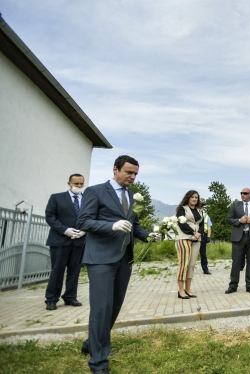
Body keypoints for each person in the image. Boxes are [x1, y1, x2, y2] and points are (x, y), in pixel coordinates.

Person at [77, 155, 160, 374]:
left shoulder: (131, 196)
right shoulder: (95, 191)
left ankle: (91, 344)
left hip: (124, 258)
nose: (133, 177)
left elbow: (133, 224)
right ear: (115, 169)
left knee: (113, 307)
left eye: (135, 174)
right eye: (129, 172)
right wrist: (111, 226)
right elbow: (83, 221)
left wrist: (148, 235)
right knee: (101, 308)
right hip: (101, 258)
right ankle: (98, 362)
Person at [43, 173, 87, 310]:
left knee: (74, 271)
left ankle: (70, 297)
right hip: (60, 240)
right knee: (57, 271)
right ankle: (51, 299)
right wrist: (65, 230)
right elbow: (50, 216)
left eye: (81, 184)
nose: (79, 186)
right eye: (76, 184)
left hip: (79, 241)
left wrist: (85, 230)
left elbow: (92, 217)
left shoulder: (88, 200)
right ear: (69, 184)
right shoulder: (56, 197)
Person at [226, 188, 250, 294]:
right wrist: (239, 220)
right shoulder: (235, 205)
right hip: (238, 237)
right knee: (236, 262)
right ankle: (233, 285)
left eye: (245, 193)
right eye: (241, 193)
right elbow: (228, 219)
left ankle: (249, 286)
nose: (242, 195)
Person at [174, 190, 205, 299]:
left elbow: (202, 224)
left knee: (191, 264)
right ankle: (181, 290)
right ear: (188, 198)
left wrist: (198, 233)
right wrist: (193, 232)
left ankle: (188, 289)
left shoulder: (199, 211)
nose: (194, 199)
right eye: (192, 197)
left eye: (196, 197)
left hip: (197, 239)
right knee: (184, 264)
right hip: (184, 238)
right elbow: (182, 223)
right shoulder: (182, 209)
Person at [200, 205, 212, 275]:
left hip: (203, 236)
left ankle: (205, 269)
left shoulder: (206, 216)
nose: (201, 208)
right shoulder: (193, 214)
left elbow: (209, 227)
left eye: (201, 207)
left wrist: (208, 236)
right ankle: (188, 269)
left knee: (203, 253)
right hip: (194, 235)